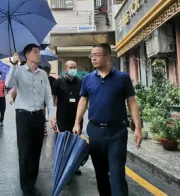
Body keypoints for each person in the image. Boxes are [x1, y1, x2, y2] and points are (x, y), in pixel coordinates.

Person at [73, 43, 142, 196]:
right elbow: (83, 101)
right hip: (95, 132)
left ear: (107, 56)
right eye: (91, 55)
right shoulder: (88, 79)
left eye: (96, 54)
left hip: (117, 132)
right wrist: (77, 122)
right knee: (101, 174)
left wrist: (138, 128)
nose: (93, 58)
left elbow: (132, 102)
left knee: (117, 174)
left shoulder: (122, 78)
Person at [5, 44, 55, 196]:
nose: (38, 54)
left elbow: (48, 96)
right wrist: (13, 64)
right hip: (23, 116)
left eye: (38, 52)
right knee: (25, 151)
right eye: (35, 52)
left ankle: (32, 182)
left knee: (36, 151)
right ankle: (25, 186)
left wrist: (51, 115)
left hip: (39, 116)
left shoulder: (43, 74)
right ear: (27, 55)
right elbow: (8, 84)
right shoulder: (18, 71)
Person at [52, 60, 83, 175]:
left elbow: (84, 98)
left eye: (75, 67)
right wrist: (52, 116)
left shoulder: (80, 82)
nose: (73, 69)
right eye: (70, 67)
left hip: (77, 117)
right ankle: (63, 163)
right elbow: (53, 97)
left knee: (75, 141)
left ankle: (74, 165)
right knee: (64, 140)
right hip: (63, 116)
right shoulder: (58, 82)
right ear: (65, 69)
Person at [43, 66, 56, 136]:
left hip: (47, 98)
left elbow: (54, 91)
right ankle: (46, 127)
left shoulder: (51, 80)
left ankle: (49, 127)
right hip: (46, 98)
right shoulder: (53, 79)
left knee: (48, 112)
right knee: (46, 112)